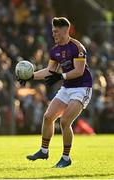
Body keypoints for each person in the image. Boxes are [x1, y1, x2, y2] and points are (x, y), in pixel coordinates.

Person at [17, 17, 92, 168]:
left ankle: (66, 158)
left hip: (82, 88)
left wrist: (61, 76)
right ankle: (44, 151)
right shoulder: (55, 50)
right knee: (48, 116)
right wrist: (31, 76)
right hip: (67, 88)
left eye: (56, 31)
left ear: (66, 31)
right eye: (53, 31)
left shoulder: (77, 47)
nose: (54, 34)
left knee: (64, 121)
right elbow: (50, 71)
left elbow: (79, 71)